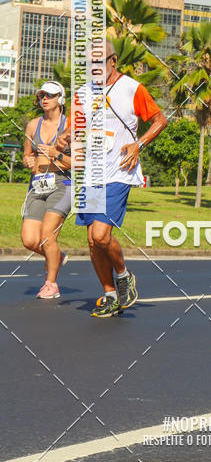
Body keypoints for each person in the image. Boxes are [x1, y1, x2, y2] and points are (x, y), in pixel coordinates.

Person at [57, 40, 167, 317]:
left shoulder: (132, 88)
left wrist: (138, 144)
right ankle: (109, 294)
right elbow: (73, 130)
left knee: (101, 234)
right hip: (92, 173)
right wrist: (65, 138)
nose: (94, 69)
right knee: (92, 241)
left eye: (99, 62)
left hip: (119, 170)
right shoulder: (83, 93)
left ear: (113, 60)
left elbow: (160, 120)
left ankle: (123, 275)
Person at [21, 81, 71, 299]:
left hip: (62, 184)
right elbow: (26, 155)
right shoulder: (33, 125)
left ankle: (51, 284)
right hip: (38, 184)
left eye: (50, 95)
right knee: (29, 240)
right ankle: (56, 257)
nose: (44, 99)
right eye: (42, 95)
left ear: (60, 98)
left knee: (46, 237)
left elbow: (78, 162)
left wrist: (54, 154)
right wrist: (28, 161)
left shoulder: (70, 126)